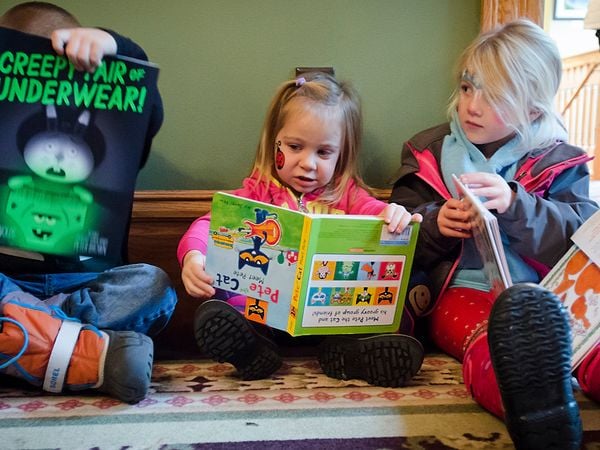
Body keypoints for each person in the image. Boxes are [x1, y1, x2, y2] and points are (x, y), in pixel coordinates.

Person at [389, 19, 599, 450]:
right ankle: (536, 412)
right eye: (468, 87)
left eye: (495, 96)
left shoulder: (559, 160)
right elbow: (395, 227)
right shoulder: (428, 151)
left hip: (546, 294)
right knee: (490, 344)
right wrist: (434, 225)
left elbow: (581, 235)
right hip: (459, 294)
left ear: (534, 110)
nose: (473, 106)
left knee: (589, 340)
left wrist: (517, 205)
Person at [178, 71, 424, 386]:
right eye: (295, 147)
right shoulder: (257, 193)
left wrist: (394, 215)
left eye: (323, 152)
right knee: (233, 308)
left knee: (395, 312)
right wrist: (193, 257)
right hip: (267, 315)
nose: (308, 163)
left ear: (341, 154)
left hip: (332, 316)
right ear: (273, 143)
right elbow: (208, 223)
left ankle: (351, 354)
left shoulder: (347, 196)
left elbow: (374, 213)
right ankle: (252, 350)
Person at [0, 2, 177, 404]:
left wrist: (113, 45)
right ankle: (90, 353)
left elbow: (143, 103)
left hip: (82, 285)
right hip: (6, 283)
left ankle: (27, 340)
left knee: (155, 286)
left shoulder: (115, 126)